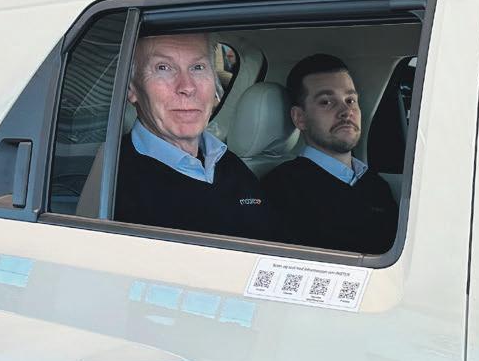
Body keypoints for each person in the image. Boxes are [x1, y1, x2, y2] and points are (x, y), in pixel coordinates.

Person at [114, 31, 273, 238]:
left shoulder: (228, 163)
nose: (187, 87)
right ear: (131, 89)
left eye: (198, 67)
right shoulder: (115, 182)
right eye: (163, 68)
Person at [265, 54, 398, 254]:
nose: (346, 111)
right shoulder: (281, 190)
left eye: (350, 100)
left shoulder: (376, 185)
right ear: (300, 118)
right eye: (326, 102)